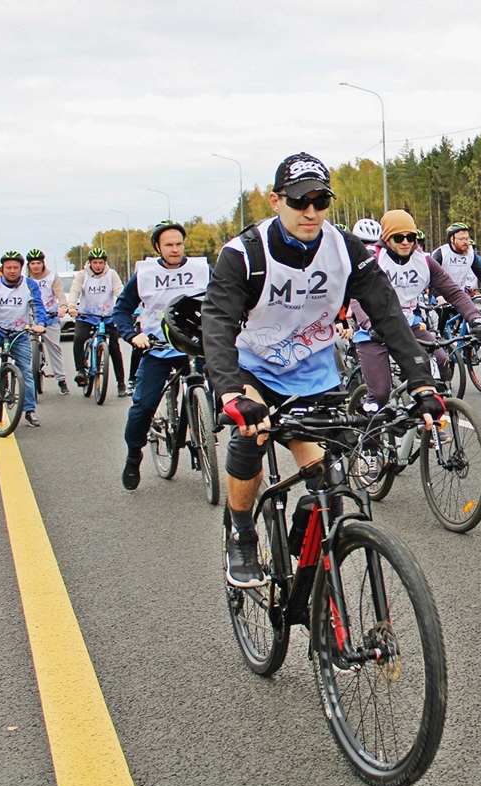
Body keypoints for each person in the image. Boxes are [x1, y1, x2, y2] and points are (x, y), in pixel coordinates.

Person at [201, 152, 444, 588]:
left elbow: (388, 316)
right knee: (251, 436)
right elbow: (217, 324)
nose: (310, 212)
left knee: (329, 478)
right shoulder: (243, 253)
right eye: (299, 201)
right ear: (276, 201)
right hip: (253, 367)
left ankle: (309, 557)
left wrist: (422, 382)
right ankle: (241, 533)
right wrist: (228, 394)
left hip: (313, 372)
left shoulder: (347, 251)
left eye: (320, 201)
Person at [350, 210, 481, 410]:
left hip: (408, 325)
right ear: (386, 238)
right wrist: (369, 323)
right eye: (399, 237)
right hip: (374, 330)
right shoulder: (374, 258)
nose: (406, 242)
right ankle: (369, 437)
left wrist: (475, 319)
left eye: (411, 237)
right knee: (381, 393)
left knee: (442, 361)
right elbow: (358, 296)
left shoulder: (424, 261)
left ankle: (425, 420)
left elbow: (454, 292)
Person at [114, 221, 212, 490]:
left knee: (224, 379)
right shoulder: (144, 275)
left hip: (196, 343)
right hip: (158, 348)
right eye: (168, 245)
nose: (175, 249)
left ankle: (205, 423)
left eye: (179, 244)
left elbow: (226, 299)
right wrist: (133, 335)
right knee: (143, 405)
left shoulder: (202, 270)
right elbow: (121, 310)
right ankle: (134, 454)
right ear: (158, 247)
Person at [0, 251, 47, 426]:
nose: (12, 271)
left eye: (16, 267)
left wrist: (40, 323)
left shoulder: (30, 285)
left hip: (19, 333)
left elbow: (38, 306)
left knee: (26, 371)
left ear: (21, 269)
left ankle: (29, 410)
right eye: (8, 267)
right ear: (3, 268)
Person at [68, 247, 128, 396]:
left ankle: (121, 384)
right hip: (86, 315)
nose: (98, 266)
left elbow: (120, 291)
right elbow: (75, 290)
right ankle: (81, 370)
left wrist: (126, 307)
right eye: (95, 262)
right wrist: (71, 306)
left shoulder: (111, 274)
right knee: (79, 338)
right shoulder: (83, 275)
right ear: (90, 263)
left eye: (101, 262)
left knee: (114, 348)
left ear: (104, 263)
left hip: (107, 316)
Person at [24, 248, 71, 394]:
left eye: (38, 263)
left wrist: (63, 307)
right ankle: (25, 380)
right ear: (28, 265)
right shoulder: (23, 279)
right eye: (32, 263)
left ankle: (61, 380)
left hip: (49, 316)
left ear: (43, 263)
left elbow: (60, 294)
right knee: (23, 350)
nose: (36, 266)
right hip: (30, 318)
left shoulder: (52, 277)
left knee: (54, 348)